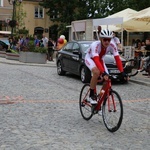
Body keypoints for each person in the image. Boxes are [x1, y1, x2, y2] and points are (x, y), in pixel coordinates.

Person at [85, 28, 128, 104]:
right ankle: (91, 95)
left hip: (100, 60)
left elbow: (117, 59)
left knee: (107, 79)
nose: (107, 42)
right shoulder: (95, 45)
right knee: (96, 72)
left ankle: (99, 97)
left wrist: (122, 72)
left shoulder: (112, 45)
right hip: (90, 58)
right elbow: (96, 60)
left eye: (109, 40)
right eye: (105, 40)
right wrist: (103, 72)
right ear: (101, 39)